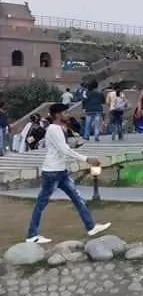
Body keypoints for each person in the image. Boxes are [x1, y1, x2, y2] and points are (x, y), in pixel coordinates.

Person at [26, 103, 110, 244]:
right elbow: (64, 150)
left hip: (60, 171)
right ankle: (31, 235)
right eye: (65, 113)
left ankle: (91, 227)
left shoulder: (58, 129)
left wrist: (72, 146)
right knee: (41, 203)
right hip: (52, 173)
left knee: (77, 198)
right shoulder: (54, 129)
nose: (68, 115)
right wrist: (87, 159)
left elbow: (62, 148)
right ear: (58, 115)